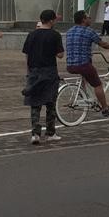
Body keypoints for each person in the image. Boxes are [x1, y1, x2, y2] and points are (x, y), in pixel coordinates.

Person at [64, 9, 109, 118]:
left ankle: (85, 96)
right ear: (83, 20)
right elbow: (103, 44)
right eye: (88, 17)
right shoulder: (88, 31)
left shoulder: (69, 31)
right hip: (83, 64)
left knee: (86, 77)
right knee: (97, 84)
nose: (90, 19)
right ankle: (105, 108)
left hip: (70, 65)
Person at [22, 9, 64, 144]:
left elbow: (26, 53)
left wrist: (28, 71)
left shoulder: (31, 35)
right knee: (50, 102)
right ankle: (50, 132)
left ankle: (35, 133)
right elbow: (60, 54)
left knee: (35, 103)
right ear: (51, 20)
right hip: (49, 71)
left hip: (34, 71)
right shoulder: (55, 35)